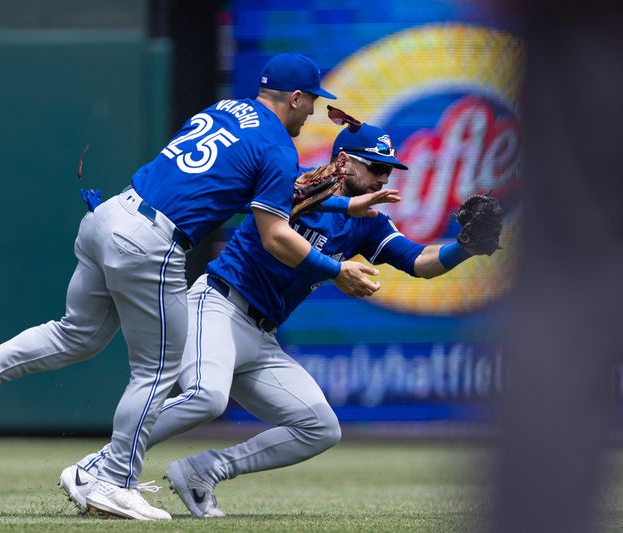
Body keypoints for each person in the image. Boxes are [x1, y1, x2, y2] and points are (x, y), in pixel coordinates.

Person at [0, 53, 381, 521]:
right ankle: (111, 481)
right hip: (152, 241)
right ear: (294, 97)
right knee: (157, 369)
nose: (311, 111)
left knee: (75, 334)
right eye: (310, 101)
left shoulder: (222, 110)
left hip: (111, 215)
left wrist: (344, 210)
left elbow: (219, 188)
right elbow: (275, 234)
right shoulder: (277, 146)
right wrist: (335, 270)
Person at [58, 121, 490, 517]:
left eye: (388, 170)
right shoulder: (289, 184)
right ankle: (98, 468)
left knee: (320, 427)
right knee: (207, 396)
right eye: (375, 166)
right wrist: (337, 261)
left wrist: (466, 246)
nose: (383, 178)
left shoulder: (368, 223)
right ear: (343, 161)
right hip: (219, 306)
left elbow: (420, 261)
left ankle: (200, 472)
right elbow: (287, 210)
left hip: (261, 336)